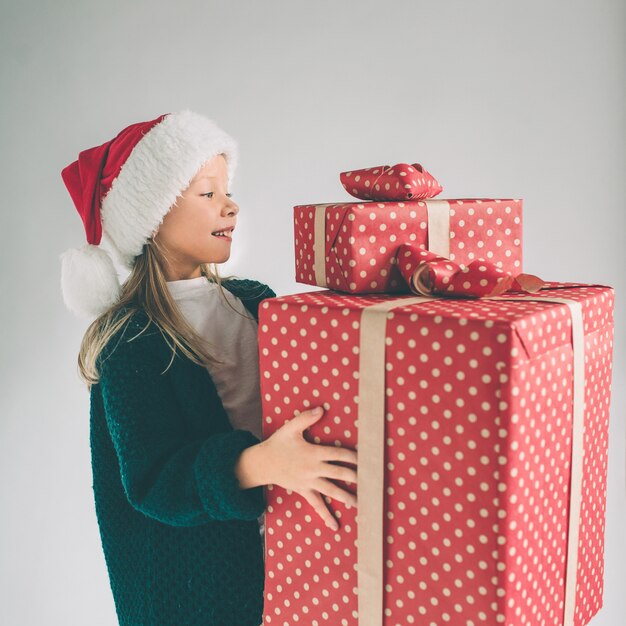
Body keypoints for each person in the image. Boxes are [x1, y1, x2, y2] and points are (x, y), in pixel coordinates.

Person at [59, 109, 358, 626]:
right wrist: (264, 464)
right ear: (152, 216)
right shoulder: (131, 341)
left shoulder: (256, 302)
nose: (231, 205)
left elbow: (323, 363)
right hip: (201, 593)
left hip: (291, 557)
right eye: (208, 193)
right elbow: (153, 481)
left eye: (228, 190)